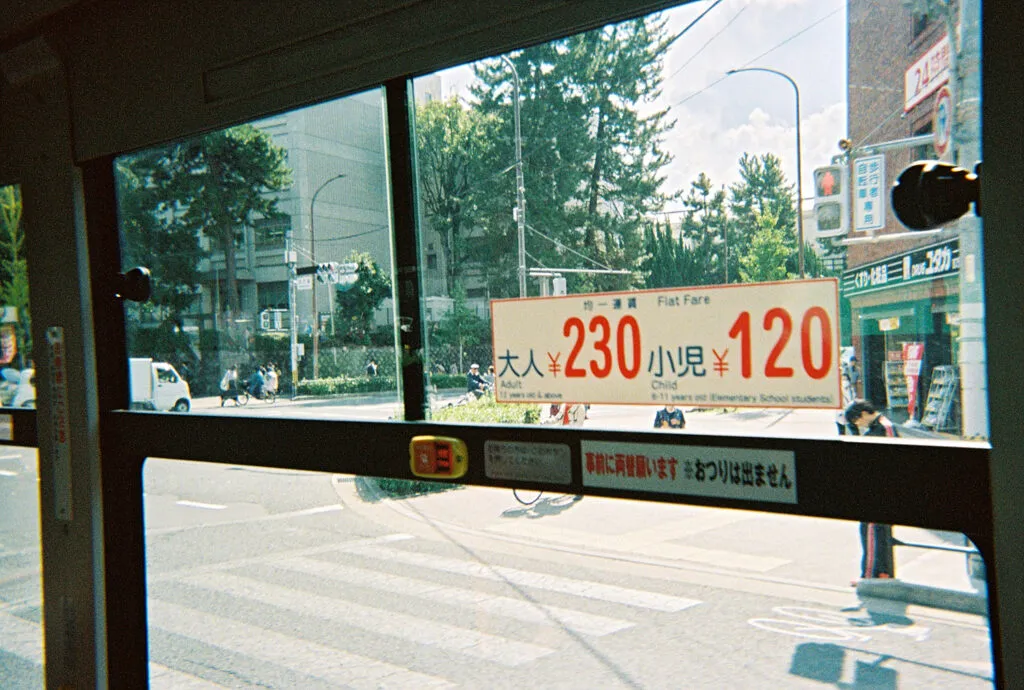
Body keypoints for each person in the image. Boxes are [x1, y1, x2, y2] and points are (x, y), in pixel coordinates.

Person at [845, 399, 898, 580]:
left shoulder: (884, 428)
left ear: (863, 414)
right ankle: (882, 572)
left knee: (871, 533)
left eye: (856, 421)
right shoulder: (879, 427)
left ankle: (869, 575)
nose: (858, 425)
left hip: (878, 490)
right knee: (877, 534)